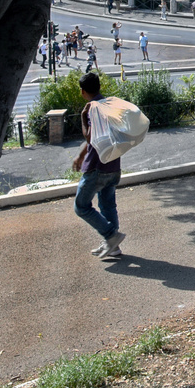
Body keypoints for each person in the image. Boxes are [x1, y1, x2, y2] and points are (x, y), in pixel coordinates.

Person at [72, 72, 125, 259]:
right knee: (108, 204)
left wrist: (82, 116)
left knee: (81, 206)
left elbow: (90, 137)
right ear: (99, 87)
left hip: (97, 167)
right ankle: (113, 246)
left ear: (83, 91)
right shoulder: (108, 105)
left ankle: (111, 236)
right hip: (113, 164)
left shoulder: (92, 109)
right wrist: (80, 156)